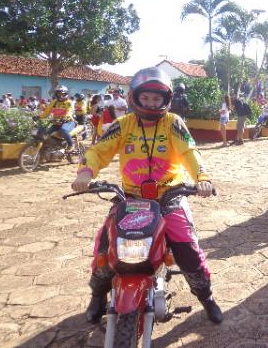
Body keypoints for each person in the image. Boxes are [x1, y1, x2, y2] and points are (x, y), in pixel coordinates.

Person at [71, 67, 223, 325]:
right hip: (130, 199)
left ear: (166, 99)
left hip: (170, 197)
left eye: (157, 98)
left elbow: (189, 152)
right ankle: (98, 295)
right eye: (146, 98)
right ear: (135, 98)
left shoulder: (174, 122)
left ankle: (206, 298)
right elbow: (99, 151)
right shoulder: (122, 125)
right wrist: (85, 173)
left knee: (188, 249)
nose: (152, 103)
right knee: (105, 247)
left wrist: (202, 179)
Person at [39, 85, 76, 152]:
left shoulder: (69, 102)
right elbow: (47, 111)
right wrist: (39, 117)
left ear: (66, 94)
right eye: (58, 94)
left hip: (68, 122)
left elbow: (69, 111)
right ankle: (50, 148)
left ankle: (71, 144)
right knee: (46, 134)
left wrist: (65, 117)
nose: (60, 96)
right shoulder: (54, 102)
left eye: (62, 94)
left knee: (63, 130)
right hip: (56, 123)